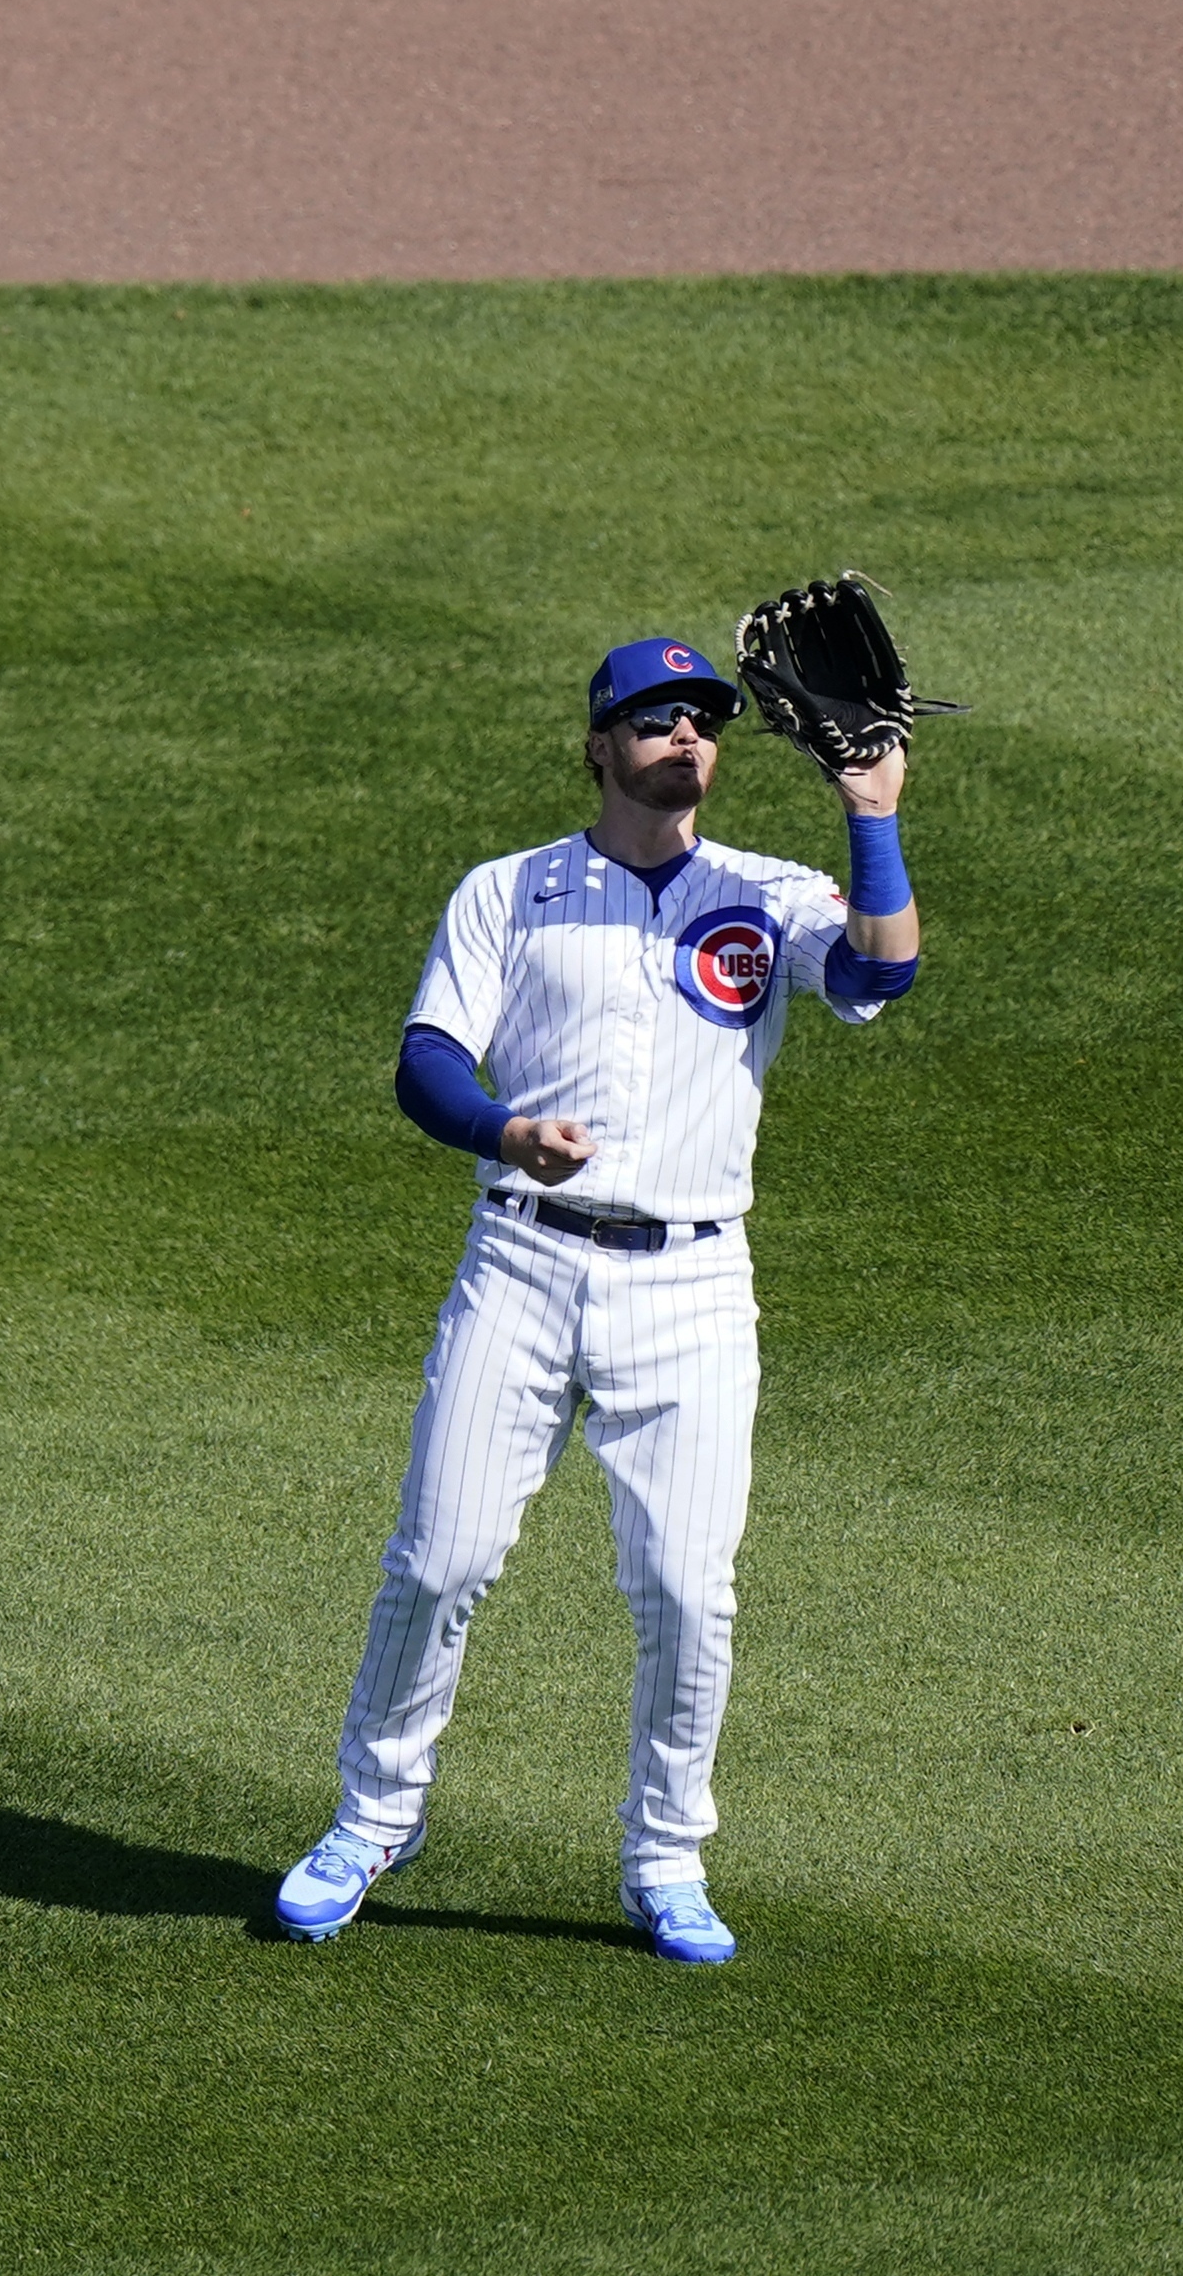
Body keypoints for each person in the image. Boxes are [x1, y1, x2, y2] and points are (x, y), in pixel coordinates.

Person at [273, 634, 924, 1963]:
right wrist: (504, 1134)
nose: (684, 735)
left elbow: (878, 973)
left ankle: (665, 1858)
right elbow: (425, 1064)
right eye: (654, 716)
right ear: (597, 742)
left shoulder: (771, 893)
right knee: (441, 1558)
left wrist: (874, 818)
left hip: (693, 1283)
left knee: (688, 1589)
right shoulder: (509, 892)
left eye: (703, 720)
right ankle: (375, 1815)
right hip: (522, 1258)